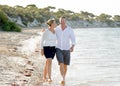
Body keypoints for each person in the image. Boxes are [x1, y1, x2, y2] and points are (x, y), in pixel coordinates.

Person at [55, 16, 76, 84]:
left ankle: (64, 77)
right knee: (61, 63)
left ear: (65, 21)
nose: (62, 22)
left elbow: (73, 39)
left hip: (67, 49)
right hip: (58, 48)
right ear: (59, 21)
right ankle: (63, 78)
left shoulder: (69, 29)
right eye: (61, 21)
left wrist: (72, 46)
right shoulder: (56, 29)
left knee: (65, 65)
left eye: (63, 21)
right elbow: (51, 34)